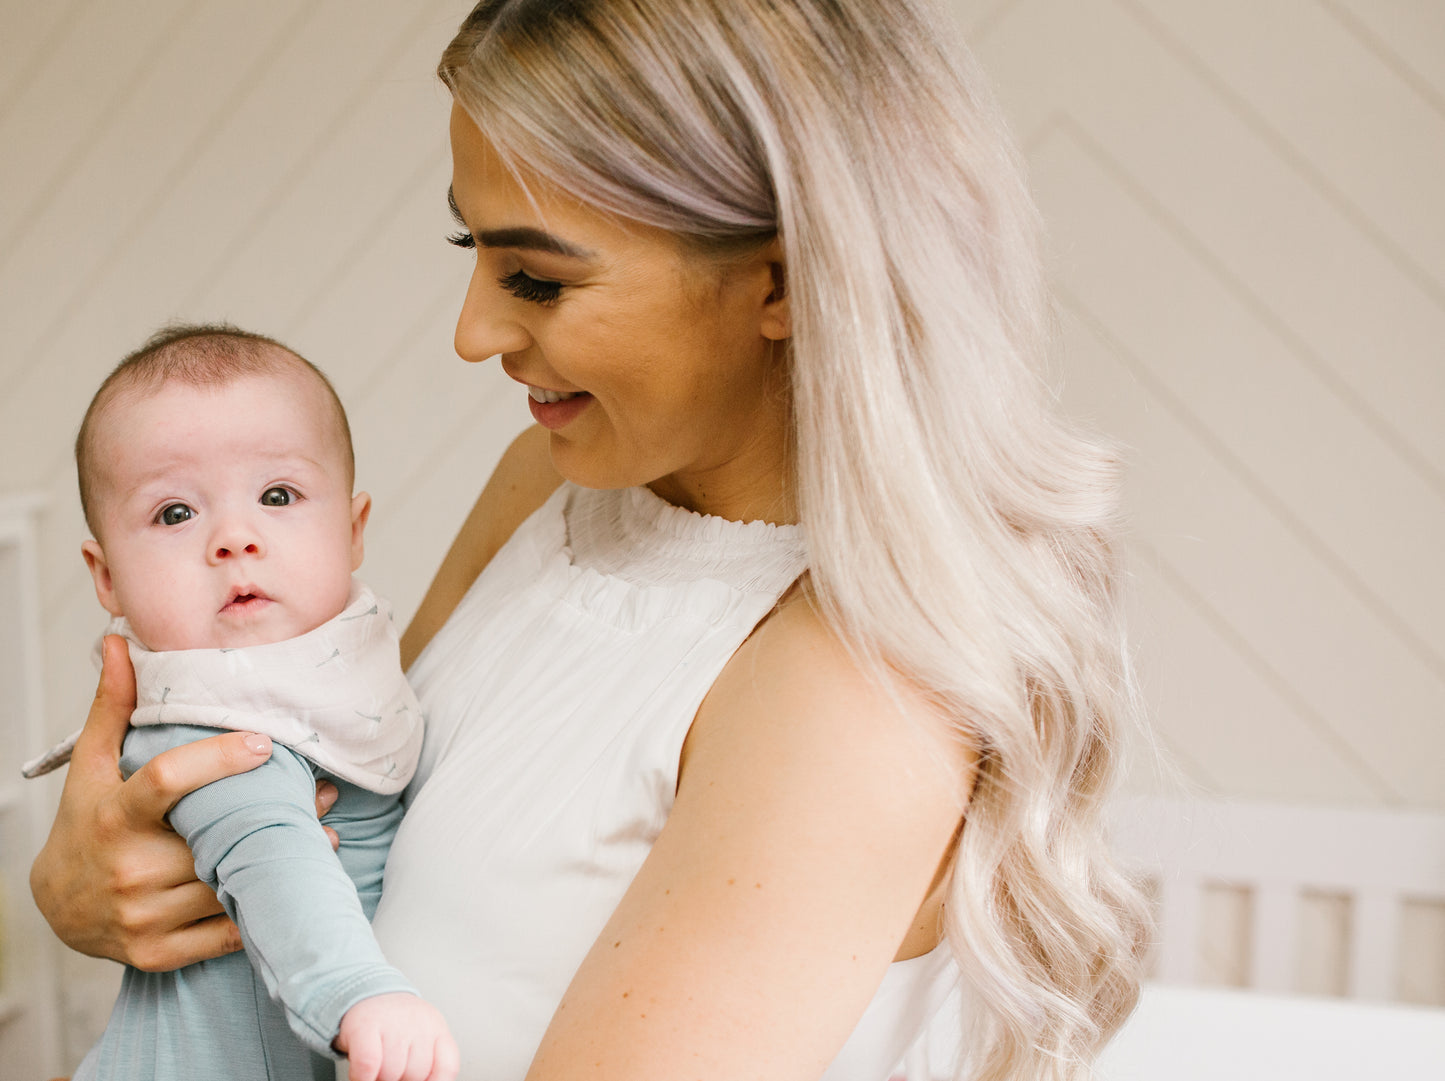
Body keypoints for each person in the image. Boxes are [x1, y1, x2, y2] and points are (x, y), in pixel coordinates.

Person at [32, 2, 1149, 1079]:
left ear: (780, 280)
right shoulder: (561, 481)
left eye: (536, 276)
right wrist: (100, 878)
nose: (473, 332)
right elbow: (360, 796)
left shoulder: (849, 689)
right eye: (470, 248)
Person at [37, 325, 458, 1081]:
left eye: (277, 495)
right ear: (106, 578)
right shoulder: (213, 730)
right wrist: (363, 996)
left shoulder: (337, 679)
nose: (234, 537)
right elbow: (274, 859)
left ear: (354, 528)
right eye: (174, 513)